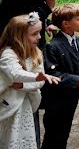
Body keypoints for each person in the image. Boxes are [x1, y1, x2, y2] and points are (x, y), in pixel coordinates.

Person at [0, 13, 60, 148]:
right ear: (18, 36)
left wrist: (23, 84)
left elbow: (40, 81)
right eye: (35, 34)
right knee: (10, 139)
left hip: (25, 105)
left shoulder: (35, 52)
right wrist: (35, 77)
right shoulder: (8, 54)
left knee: (26, 138)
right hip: (6, 106)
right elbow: (15, 73)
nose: (39, 37)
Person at [40, 3, 79, 149]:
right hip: (57, 100)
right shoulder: (53, 46)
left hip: (72, 96)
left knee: (64, 132)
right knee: (53, 134)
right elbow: (52, 73)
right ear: (65, 24)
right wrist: (76, 80)